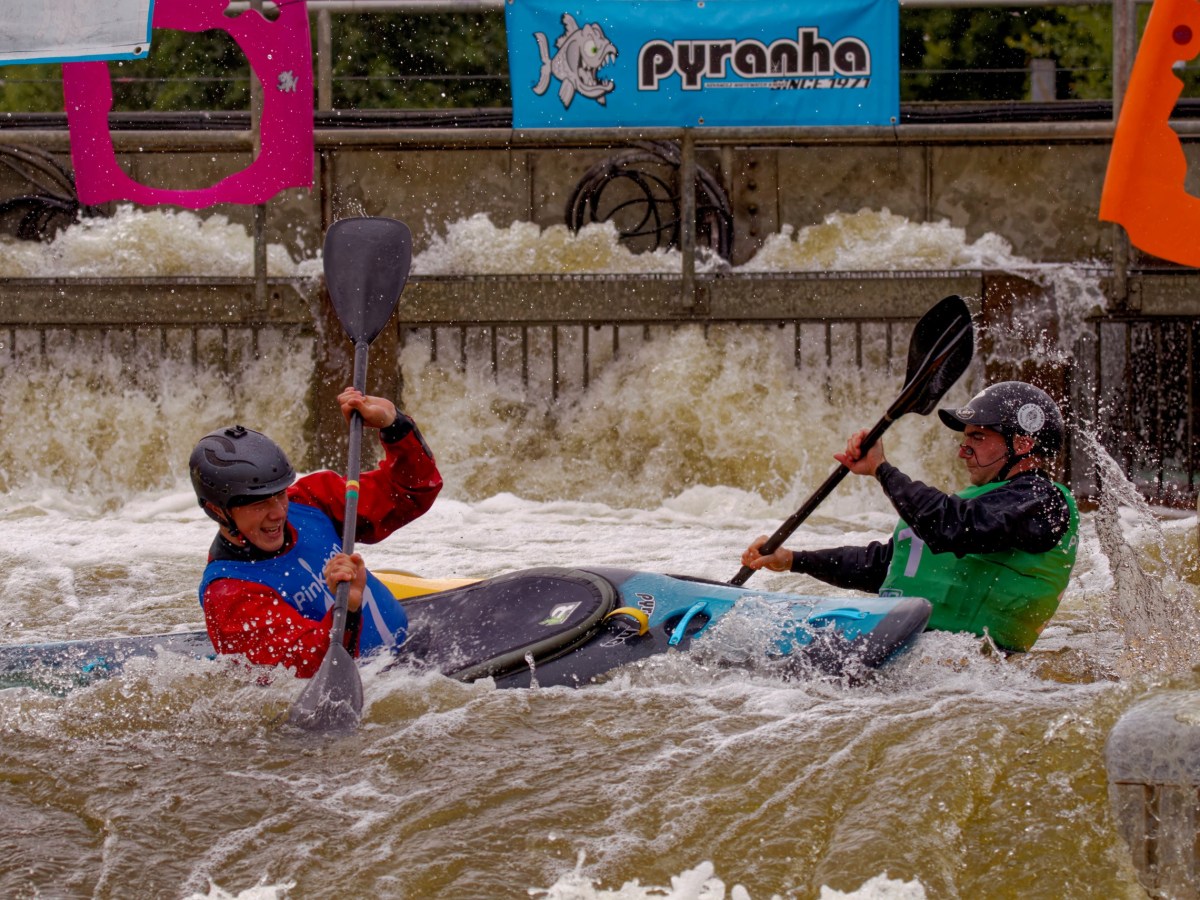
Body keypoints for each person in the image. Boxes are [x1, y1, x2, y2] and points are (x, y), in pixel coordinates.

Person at [741, 381, 1079, 653]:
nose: (963, 450)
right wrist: (793, 560)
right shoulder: (981, 504)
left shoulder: (1043, 502)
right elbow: (882, 565)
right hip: (924, 658)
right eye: (965, 438)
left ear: (1021, 445)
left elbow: (952, 526)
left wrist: (881, 469)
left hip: (978, 670)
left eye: (977, 437)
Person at [190, 388, 442, 677]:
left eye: (279, 494)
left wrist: (395, 426)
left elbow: (410, 493)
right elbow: (307, 670)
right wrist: (347, 609)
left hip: (415, 649)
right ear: (217, 510)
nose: (278, 512)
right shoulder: (230, 594)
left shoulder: (309, 500)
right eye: (259, 504)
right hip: (373, 685)